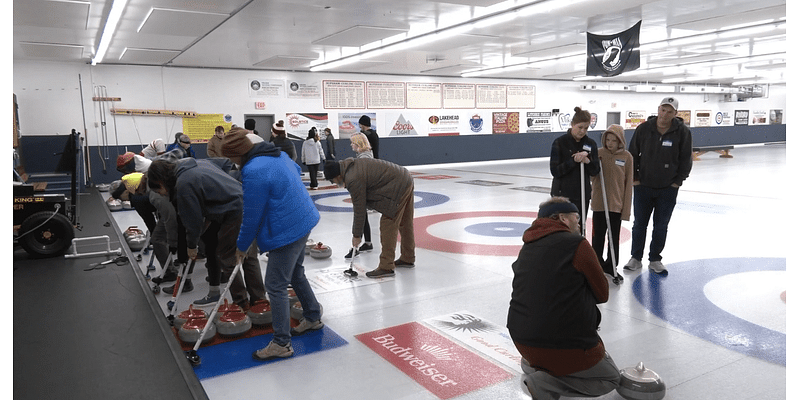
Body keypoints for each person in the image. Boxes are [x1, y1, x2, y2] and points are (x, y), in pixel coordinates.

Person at [220, 128, 324, 361]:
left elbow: (252, 215)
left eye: (231, 157)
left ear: (238, 153)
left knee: (275, 285)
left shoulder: (253, 170)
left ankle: (281, 343)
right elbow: (296, 171)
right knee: (296, 273)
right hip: (304, 219)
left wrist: (242, 246)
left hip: (287, 229)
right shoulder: (278, 155)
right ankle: (313, 316)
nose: (231, 162)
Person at [507, 196, 620, 400]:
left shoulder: (527, 247)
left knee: (540, 355)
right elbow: (602, 294)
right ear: (562, 218)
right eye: (576, 217)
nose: (579, 222)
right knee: (611, 378)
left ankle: (539, 367)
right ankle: (547, 382)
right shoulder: (577, 244)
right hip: (565, 344)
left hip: (522, 341)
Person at [147, 157, 267, 309]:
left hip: (235, 212)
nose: (162, 194)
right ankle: (259, 302)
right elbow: (224, 163)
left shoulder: (184, 184)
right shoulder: (197, 163)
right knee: (249, 256)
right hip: (249, 203)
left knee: (227, 257)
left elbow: (193, 221)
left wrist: (191, 246)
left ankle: (240, 304)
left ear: (161, 181)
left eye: (159, 190)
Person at [624, 97, 692, 274]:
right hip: (643, 187)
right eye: (663, 109)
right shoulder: (644, 128)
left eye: (670, 111)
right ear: (658, 109)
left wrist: (677, 182)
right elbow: (632, 155)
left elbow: (686, 159)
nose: (665, 114)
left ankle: (655, 259)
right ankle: (635, 258)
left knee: (661, 226)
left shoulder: (683, 132)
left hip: (667, 189)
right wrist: (635, 179)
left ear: (675, 114)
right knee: (639, 224)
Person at [323, 157, 415, 279]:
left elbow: (359, 209)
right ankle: (408, 258)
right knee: (405, 222)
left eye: (333, 181)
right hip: (405, 178)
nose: (335, 183)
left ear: (338, 176)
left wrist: (356, 235)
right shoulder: (348, 166)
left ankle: (386, 266)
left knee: (388, 224)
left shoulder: (352, 179)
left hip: (397, 185)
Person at [590, 125, 633, 280]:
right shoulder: (599, 154)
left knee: (613, 237)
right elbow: (591, 175)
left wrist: (626, 210)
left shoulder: (627, 157)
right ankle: (596, 264)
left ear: (620, 141)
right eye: (607, 140)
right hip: (599, 204)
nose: (610, 143)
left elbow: (628, 185)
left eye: (614, 141)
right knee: (597, 236)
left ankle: (611, 265)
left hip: (616, 205)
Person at [549, 107, 599, 233]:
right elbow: (555, 171)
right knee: (561, 229)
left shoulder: (590, 144)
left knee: (578, 228)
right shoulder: (559, 142)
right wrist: (573, 161)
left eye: (586, 128)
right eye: (580, 127)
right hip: (562, 195)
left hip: (582, 195)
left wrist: (587, 161)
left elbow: (595, 170)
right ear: (572, 124)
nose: (582, 131)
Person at [344, 132, 374, 259]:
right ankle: (368, 243)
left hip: (365, 191)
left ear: (358, 144)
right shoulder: (363, 155)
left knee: (360, 215)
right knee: (364, 216)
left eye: (353, 142)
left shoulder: (363, 158)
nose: (351, 145)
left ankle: (356, 247)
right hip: (366, 190)